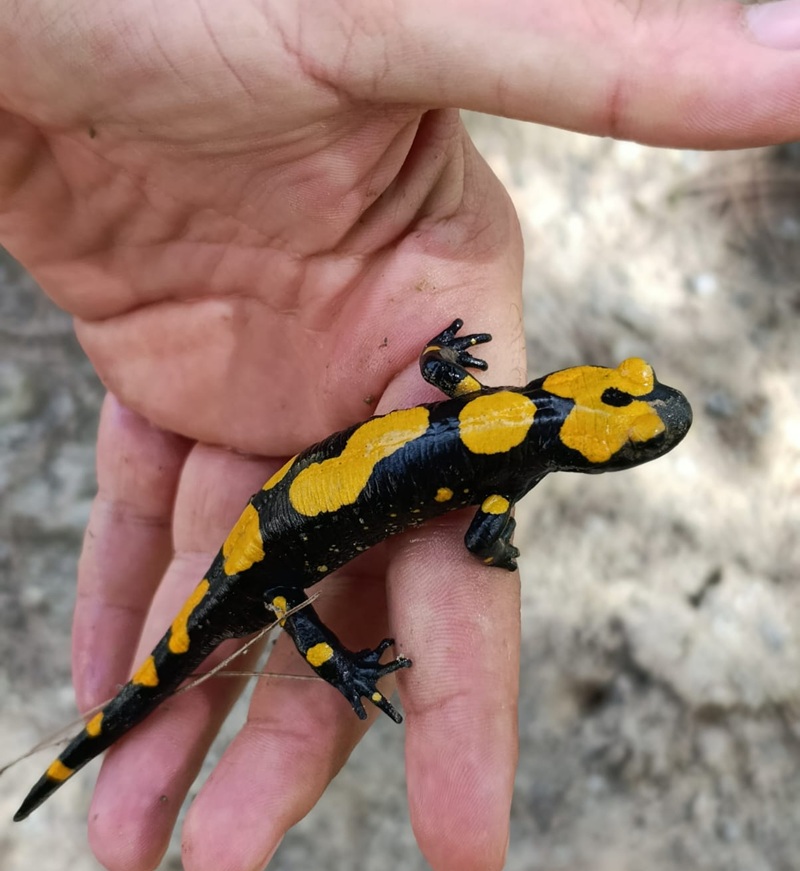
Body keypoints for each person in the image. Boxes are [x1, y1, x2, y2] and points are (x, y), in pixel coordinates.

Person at [1, 2, 798, 869]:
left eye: (634, 429)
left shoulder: (508, 407)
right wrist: (441, 593)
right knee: (272, 610)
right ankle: (277, 687)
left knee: (242, 616)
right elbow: (486, 540)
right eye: (634, 412)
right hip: (272, 552)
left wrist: (446, 357)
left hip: (276, 515)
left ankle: (93, 746)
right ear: (582, 421)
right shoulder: (511, 471)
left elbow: (453, 409)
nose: (645, 410)